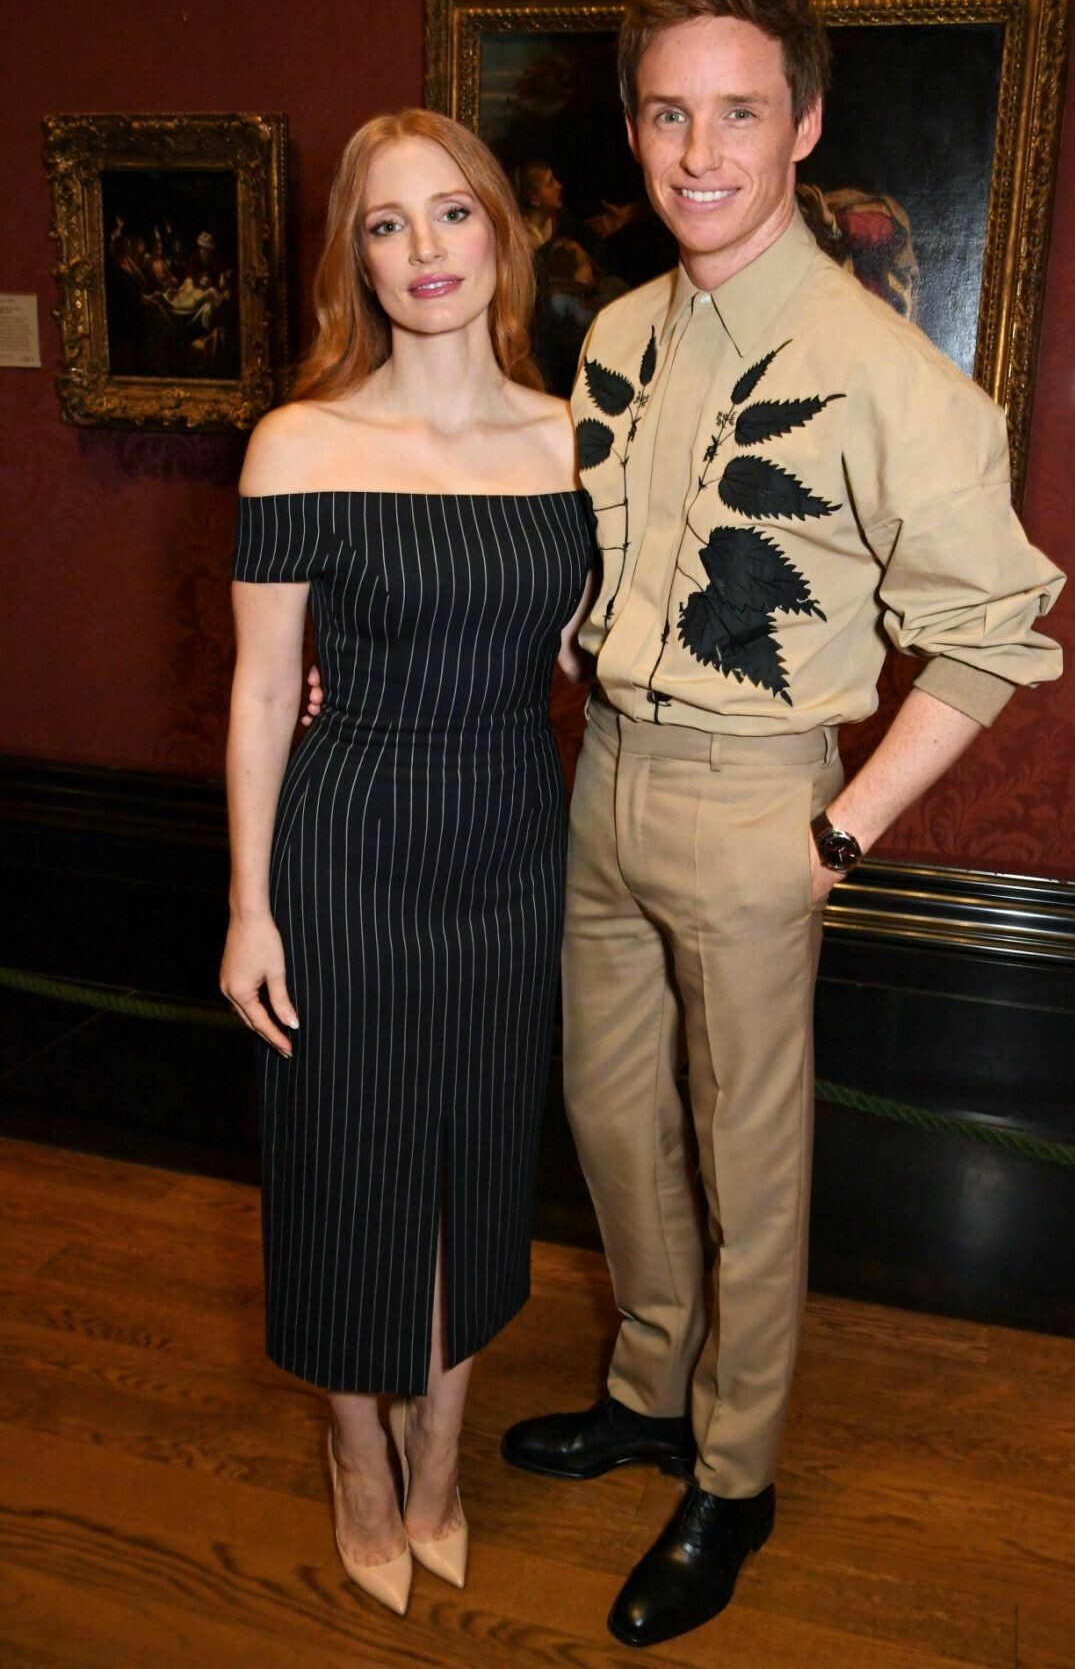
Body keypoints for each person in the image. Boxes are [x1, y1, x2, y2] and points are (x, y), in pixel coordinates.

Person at [495, 0, 1065, 1649]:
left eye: (739, 113)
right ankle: (649, 1393)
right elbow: (581, 562)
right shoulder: (617, 335)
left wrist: (839, 833)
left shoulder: (895, 378)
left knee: (750, 1160)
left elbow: (995, 636)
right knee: (613, 1123)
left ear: (805, 124)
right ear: (632, 124)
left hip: (760, 801)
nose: (700, 153)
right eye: (668, 114)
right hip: (603, 777)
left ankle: (734, 1477)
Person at [220, 108, 593, 1620]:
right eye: (387, 223)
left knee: (477, 1160)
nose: (425, 249)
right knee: (350, 1158)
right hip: (351, 844)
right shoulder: (300, 442)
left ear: (501, 232)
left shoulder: (573, 438)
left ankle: (443, 1437)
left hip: (514, 834)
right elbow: (263, 691)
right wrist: (249, 906)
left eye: (452, 213)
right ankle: (359, 1447)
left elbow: (581, 650)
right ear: (355, 260)